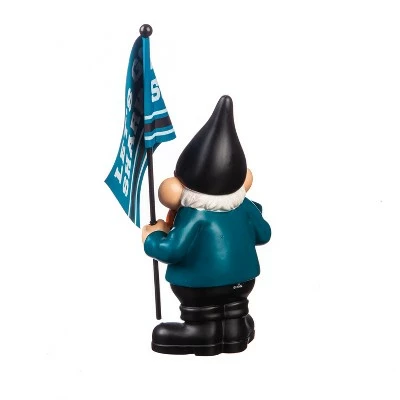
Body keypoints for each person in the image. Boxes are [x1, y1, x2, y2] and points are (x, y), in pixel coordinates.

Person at [142, 95, 271, 356]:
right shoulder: (244, 206)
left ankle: (201, 331)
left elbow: (172, 250)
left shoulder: (194, 215)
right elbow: (264, 233)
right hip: (243, 283)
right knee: (234, 305)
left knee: (203, 307)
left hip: (200, 288)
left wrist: (152, 237)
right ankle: (235, 326)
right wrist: (254, 213)